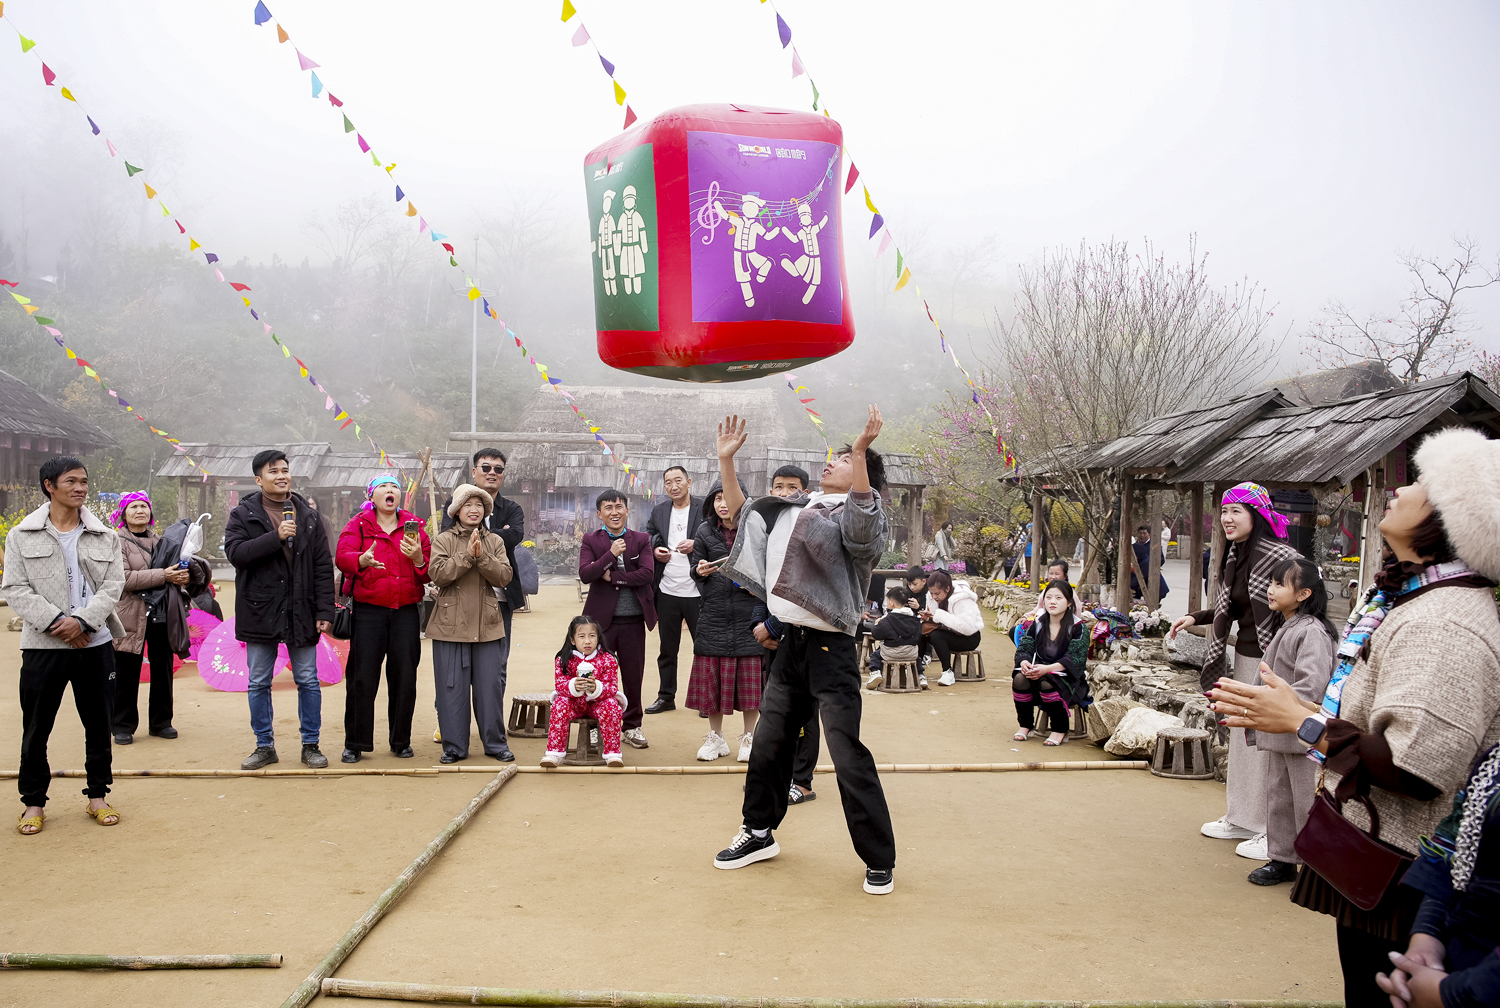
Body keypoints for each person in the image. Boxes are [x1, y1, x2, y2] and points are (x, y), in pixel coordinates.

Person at [1208, 428, 1500, 1007]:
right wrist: (1302, 711)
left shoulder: (1443, 625)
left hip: (1405, 885)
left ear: (1450, 518)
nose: (1402, 487)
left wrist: (1302, 722)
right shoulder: (1421, 603)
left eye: (1421, 483)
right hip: (1391, 871)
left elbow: (1418, 767)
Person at [711, 408, 897, 897]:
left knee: (846, 752)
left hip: (832, 648)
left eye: (841, 460)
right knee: (770, 745)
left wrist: (859, 451)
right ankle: (757, 833)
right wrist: (727, 464)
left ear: (861, 474)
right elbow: (746, 514)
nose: (829, 464)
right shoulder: (799, 505)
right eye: (835, 457)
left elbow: (858, 537)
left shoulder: (865, 518)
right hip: (789, 645)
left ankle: (879, 859)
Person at [1167, 481, 1301, 860]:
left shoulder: (1281, 556)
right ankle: (1243, 816)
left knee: (1268, 743)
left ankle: (1272, 829)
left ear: (1256, 514)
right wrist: (1196, 616)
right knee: (1243, 739)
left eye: (1235, 511)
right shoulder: (1235, 554)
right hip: (1245, 657)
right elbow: (1237, 607)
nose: (1226, 518)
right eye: (1224, 511)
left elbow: (1302, 605)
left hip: (1277, 663)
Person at [4, 457, 126, 834]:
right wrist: (59, 622)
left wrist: (84, 621)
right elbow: (14, 588)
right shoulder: (21, 535)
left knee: (98, 723)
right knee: (37, 726)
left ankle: (98, 796)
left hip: (96, 643)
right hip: (44, 647)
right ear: (49, 486)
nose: (80, 488)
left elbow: (113, 585)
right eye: (70, 481)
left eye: (84, 481)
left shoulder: (106, 535)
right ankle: (33, 803)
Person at [224, 449, 335, 770]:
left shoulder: (308, 516)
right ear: (259, 479)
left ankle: (310, 745)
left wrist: (324, 610)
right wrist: (276, 536)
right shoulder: (242, 515)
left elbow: (322, 567)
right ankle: (264, 746)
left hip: (302, 609)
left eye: (285, 470)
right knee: (259, 681)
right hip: (259, 608)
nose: (281, 475)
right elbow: (237, 553)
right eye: (273, 471)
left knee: (308, 680)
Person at [1376, 743, 1500, 1008]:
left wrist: (1453, 994)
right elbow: (1456, 850)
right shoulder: (1496, 760)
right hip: (1455, 962)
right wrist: (1426, 942)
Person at [1243, 556, 1336, 887]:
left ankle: (1315, 866)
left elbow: (1311, 686)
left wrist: (1271, 702)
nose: (1270, 589)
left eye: (1280, 584)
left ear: (1304, 594)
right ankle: (1282, 859)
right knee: (1279, 796)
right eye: (1271, 582)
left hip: (1302, 732)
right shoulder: (1290, 625)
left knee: (1306, 801)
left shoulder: (1311, 632)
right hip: (1281, 731)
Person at [334, 474, 430, 763]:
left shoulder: (415, 528)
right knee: (362, 679)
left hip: (406, 612)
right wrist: (360, 561)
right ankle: (355, 742)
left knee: (404, 677)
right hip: (368, 612)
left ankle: (401, 741)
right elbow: (342, 557)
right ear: (372, 496)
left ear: (400, 496)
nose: (390, 491)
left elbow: (428, 573)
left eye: (395, 488)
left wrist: (418, 559)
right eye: (384, 487)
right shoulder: (358, 524)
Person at [441, 449, 525, 742]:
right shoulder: (452, 506)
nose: (492, 472)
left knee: (496, 668)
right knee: (455, 669)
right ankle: (449, 723)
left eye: (498, 469)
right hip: (461, 598)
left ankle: (492, 726)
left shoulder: (512, 508)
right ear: (474, 471)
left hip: (500, 599)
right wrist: (493, 534)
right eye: (486, 467)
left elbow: (515, 536)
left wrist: (481, 534)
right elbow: (448, 540)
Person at [427, 484, 514, 764]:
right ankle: (454, 747)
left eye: (479, 505)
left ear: (485, 511)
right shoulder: (443, 539)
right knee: (452, 689)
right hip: (450, 624)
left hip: (487, 624)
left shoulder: (495, 542)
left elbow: (504, 576)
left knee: (490, 688)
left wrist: (482, 556)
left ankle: (495, 744)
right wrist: (467, 556)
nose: (474, 509)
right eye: (468, 505)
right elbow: (438, 574)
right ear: (456, 511)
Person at [752, 465, 819, 804]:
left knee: (805, 710)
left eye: (792, 487)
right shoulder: (767, 526)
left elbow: (803, 587)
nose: (784, 493)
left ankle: (803, 780)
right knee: (775, 709)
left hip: (803, 633)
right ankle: (778, 774)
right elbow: (758, 585)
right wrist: (758, 625)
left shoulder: (812, 525)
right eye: (778, 487)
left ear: (806, 492)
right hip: (771, 633)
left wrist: (774, 627)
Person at [687, 480, 763, 762]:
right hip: (714, 614)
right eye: (717, 498)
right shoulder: (705, 531)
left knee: (749, 683)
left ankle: (748, 737)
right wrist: (700, 570)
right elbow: (694, 568)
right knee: (712, 680)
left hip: (748, 614)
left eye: (727, 497)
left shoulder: (754, 530)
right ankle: (716, 738)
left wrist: (752, 585)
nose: (722, 503)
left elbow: (765, 569)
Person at [109, 491, 188, 745]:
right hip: (130, 614)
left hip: (161, 614)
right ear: (123, 514)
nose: (140, 510)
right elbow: (124, 579)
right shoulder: (116, 541)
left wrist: (184, 576)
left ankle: (161, 722)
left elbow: (176, 575)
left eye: (144, 506)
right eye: (133, 507)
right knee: (126, 671)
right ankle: (122, 725)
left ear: (150, 513)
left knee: (163, 669)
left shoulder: (163, 542)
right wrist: (164, 575)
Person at [580, 489, 657, 750]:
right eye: (608, 508)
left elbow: (647, 574)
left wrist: (614, 577)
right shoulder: (591, 539)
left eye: (619, 506)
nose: (615, 512)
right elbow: (586, 574)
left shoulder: (641, 539)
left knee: (633, 677)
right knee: (597, 676)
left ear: (627, 510)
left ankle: (632, 726)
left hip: (633, 620)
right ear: (599, 514)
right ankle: (596, 727)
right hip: (600, 624)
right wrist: (611, 555)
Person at [644, 465, 702, 715]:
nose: (673, 486)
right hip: (667, 590)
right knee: (667, 649)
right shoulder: (659, 510)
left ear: (689, 482)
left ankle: (704, 701)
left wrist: (696, 544)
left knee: (704, 648)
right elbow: (650, 534)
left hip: (698, 591)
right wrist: (656, 550)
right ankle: (666, 696)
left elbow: (718, 537)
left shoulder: (704, 508)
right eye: (668, 482)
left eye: (678, 480)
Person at [1012, 579, 1089, 745]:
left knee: (1047, 683)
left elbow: (1075, 658)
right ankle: (1025, 725)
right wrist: (1025, 662)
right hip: (1040, 673)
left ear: (1069, 602)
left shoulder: (1078, 627)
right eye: (1048, 597)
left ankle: (1059, 729)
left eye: (1058, 598)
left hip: (1069, 679)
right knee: (1019, 678)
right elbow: (1025, 647)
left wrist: (1047, 669)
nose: (1052, 602)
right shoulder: (1038, 624)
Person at [542, 616, 626, 768]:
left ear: (599, 638)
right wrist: (573, 686)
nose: (587, 641)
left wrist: (597, 688)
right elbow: (560, 685)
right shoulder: (564, 659)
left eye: (592, 636)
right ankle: (554, 753)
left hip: (597, 704)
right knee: (559, 704)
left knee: (612, 705)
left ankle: (613, 754)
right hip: (574, 704)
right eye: (581, 636)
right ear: (572, 640)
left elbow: (613, 688)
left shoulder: (608, 659)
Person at [920, 570, 984, 687]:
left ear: (947, 589)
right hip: (947, 632)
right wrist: (928, 618)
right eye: (932, 593)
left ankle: (947, 672)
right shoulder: (932, 596)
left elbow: (967, 628)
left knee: (937, 636)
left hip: (969, 638)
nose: (934, 597)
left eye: (937, 594)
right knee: (921, 631)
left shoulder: (962, 599)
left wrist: (940, 616)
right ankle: (918, 670)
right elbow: (936, 618)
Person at [866, 586, 923, 690]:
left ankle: (875, 673)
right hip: (911, 653)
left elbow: (876, 634)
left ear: (891, 602)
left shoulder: (887, 619)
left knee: (875, 655)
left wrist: (877, 624)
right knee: (918, 657)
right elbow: (919, 635)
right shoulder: (915, 619)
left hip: (890, 653)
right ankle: (921, 676)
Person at [1129, 525, 1169, 601]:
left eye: (1144, 533)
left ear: (1149, 535)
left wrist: (1152, 565)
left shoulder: (1154, 546)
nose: (1142, 535)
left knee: (1152, 604)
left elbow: (1160, 560)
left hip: (1152, 580)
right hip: (1141, 582)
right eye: (1140, 533)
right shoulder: (1134, 545)